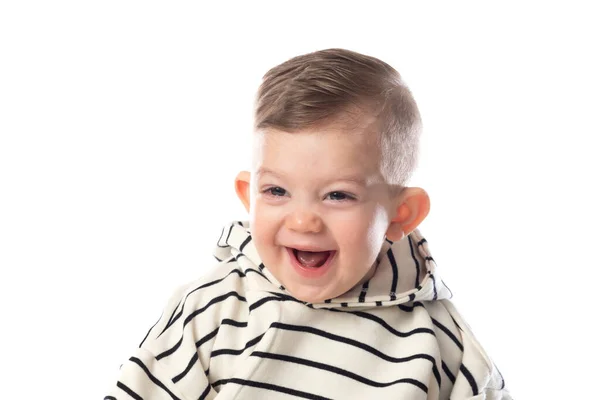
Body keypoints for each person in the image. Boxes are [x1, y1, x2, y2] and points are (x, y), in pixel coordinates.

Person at [105, 48, 512, 400]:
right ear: (248, 196)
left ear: (400, 214)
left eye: (338, 195)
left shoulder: (443, 348)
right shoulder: (215, 310)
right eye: (277, 192)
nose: (302, 220)